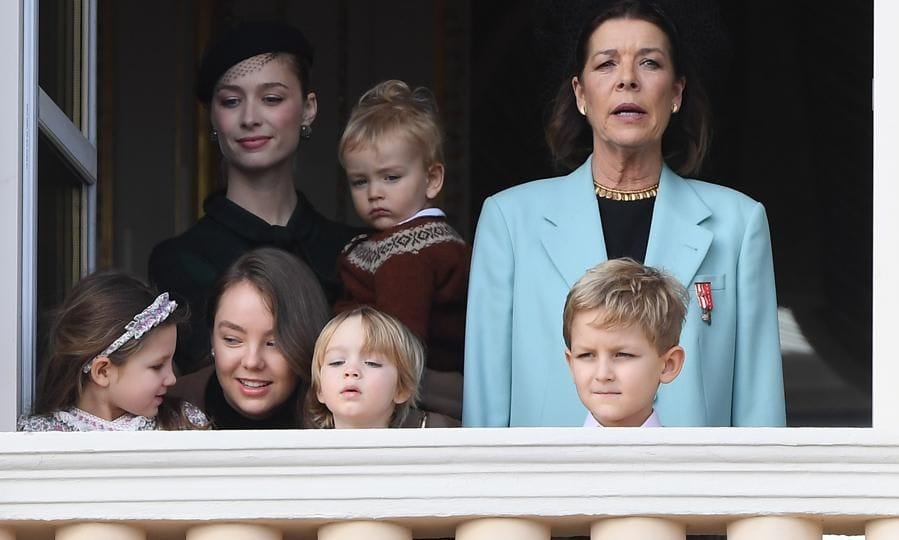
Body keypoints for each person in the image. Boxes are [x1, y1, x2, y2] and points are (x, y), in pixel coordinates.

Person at [464, 0, 784, 427]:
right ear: (580, 95)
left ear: (676, 93)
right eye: (606, 64)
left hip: (690, 487)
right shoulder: (510, 221)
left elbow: (759, 409)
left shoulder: (738, 224)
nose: (627, 80)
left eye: (649, 63)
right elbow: (485, 408)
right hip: (547, 487)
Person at [148, 21, 361, 375]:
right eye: (231, 101)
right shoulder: (177, 262)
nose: (249, 118)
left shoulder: (354, 250)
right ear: (213, 118)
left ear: (308, 108)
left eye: (272, 99)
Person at [334, 80, 470, 421]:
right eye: (360, 181)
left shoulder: (411, 252)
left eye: (391, 177)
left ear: (432, 179)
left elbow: (400, 343)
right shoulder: (393, 243)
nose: (374, 192)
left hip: (415, 405)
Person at [18, 272, 207, 431]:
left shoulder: (184, 424)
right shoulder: (40, 435)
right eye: (157, 366)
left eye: (170, 362)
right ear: (103, 371)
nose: (172, 379)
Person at [169, 247, 329, 429]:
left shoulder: (342, 415)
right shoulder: (168, 408)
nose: (252, 362)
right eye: (232, 339)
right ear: (212, 339)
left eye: (274, 343)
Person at [564, 259, 687, 427]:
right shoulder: (542, 453)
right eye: (586, 355)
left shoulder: (690, 453)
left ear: (668, 364)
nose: (603, 375)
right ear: (571, 364)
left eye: (622, 355)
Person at [307, 306, 458, 429]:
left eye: (372, 363)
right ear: (319, 389)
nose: (351, 371)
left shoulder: (435, 442)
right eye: (337, 362)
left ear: (402, 388)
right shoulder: (303, 455)